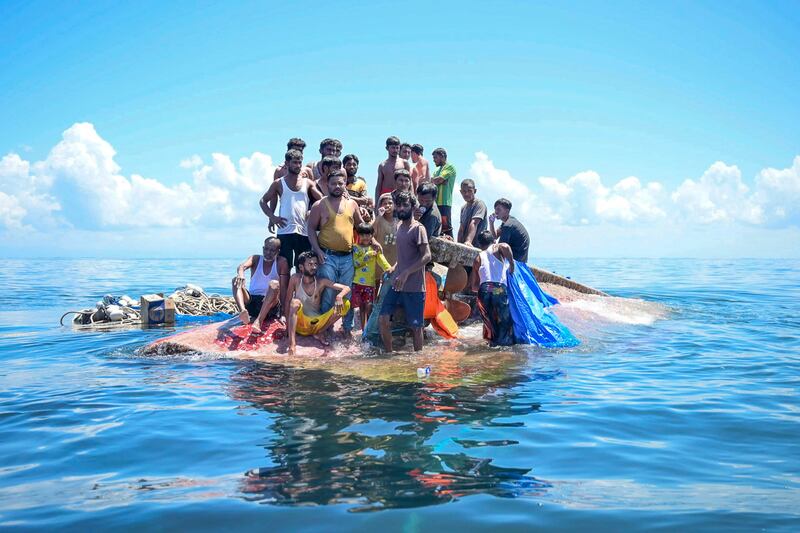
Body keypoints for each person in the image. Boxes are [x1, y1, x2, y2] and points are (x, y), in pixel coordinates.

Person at [306, 170, 365, 337]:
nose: (337, 186)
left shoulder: (352, 204)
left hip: (348, 257)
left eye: (340, 183)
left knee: (347, 293)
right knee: (328, 293)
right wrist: (317, 251)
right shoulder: (319, 205)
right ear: (327, 185)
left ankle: (347, 328)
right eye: (333, 183)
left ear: (345, 184)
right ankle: (326, 328)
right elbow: (310, 229)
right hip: (327, 256)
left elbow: (361, 227)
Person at [379, 192, 431, 352]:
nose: (401, 208)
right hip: (397, 283)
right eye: (399, 205)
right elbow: (404, 255)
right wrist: (393, 268)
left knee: (416, 327)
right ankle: (388, 355)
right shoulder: (399, 226)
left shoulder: (418, 229)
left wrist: (407, 272)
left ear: (413, 206)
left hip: (414, 287)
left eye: (405, 205)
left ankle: (418, 359)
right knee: (383, 319)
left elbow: (427, 256)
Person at [260, 149, 322, 269]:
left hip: (303, 231)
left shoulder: (307, 182)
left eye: (300, 162)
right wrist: (273, 217)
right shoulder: (278, 183)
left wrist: (311, 211)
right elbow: (263, 201)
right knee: (284, 266)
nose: (298, 165)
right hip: (285, 231)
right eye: (294, 162)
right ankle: (285, 288)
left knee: (303, 267)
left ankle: (299, 288)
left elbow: (321, 200)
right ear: (287, 163)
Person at [285, 251, 351, 355]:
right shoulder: (295, 279)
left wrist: (339, 296)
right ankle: (292, 344)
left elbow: (346, 288)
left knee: (346, 303)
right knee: (295, 302)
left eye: (315, 264)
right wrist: (287, 327)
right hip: (300, 324)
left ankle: (320, 332)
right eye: (310, 264)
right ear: (301, 267)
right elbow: (288, 300)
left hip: (317, 324)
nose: (314, 267)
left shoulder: (321, 282)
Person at [232, 236, 290, 332]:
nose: (268, 253)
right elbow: (241, 266)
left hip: (269, 304)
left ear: (278, 251)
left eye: (272, 250)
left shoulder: (281, 262)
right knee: (235, 280)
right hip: (251, 301)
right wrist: (241, 275)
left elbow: (283, 289)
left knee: (274, 284)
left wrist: (283, 314)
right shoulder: (255, 258)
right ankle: (243, 311)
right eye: (266, 249)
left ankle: (259, 321)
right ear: (263, 248)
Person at [470, 231, 516, 347]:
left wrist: (485, 290)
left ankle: (491, 344)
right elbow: (505, 246)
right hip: (498, 289)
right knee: (503, 320)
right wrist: (511, 264)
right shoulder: (496, 248)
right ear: (494, 241)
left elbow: (474, 287)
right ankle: (504, 347)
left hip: (483, 290)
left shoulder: (477, 259)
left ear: (480, 245)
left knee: (489, 322)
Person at [352, 223, 392, 330]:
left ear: (372, 235)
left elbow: (383, 263)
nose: (365, 237)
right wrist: (368, 255)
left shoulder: (375, 249)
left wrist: (391, 270)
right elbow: (355, 263)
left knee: (369, 306)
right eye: (362, 235)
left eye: (368, 234)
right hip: (357, 283)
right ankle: (363, 329)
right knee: (361, 307)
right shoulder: (355, 248)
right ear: (358, 235)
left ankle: (369, 329)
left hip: (370, 284)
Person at [489, 198, 530, 263]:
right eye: (495, 209)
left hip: (515, 261)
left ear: (507, 211)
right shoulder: (507, 222)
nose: (496, 212)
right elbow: (495, 236)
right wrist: (491, 223)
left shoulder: (508, 225)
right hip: (520, 260)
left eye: (498, 209)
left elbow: (500, 248)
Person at [375, 136, 411, 203]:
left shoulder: (404, 163)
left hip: (401, 193)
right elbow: (378, 185)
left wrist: (412, 197)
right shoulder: (382, 165)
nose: (395, 150)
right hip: (386, 194)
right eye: (393, 148)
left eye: (397, 148)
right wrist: (377, 202)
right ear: (387, 148)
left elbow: (410, 181)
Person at [431, 147, 456, 238]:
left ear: (442, 156)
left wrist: (438, 180)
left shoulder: (449, 167)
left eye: (435, 158)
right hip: (435, 203)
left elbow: (438, 180)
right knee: (438, 226)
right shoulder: (437, 170)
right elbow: (433, 181)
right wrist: (439, 181)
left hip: (445, 202)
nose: (434, 160)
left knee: (446, 227)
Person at [457, 179, 488, 248]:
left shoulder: (479, 204)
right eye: (464, 191)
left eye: (469, 191)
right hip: (465, 246)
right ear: (461, 192)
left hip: (478, 246)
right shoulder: (463, 208)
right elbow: (461, 229)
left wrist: (468, 241)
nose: (466, 194)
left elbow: (474, 223)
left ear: (475, 191)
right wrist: (458, 244)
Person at [373, 193, 398, 277]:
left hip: (393, 258)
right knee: (376, 280)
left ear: (395, 205)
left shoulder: (398, 221)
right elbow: (371, 233)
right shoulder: (378, 220)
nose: (388, 205)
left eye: (390, 203)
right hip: (379, 258)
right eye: (385, 203)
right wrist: (379, 217)